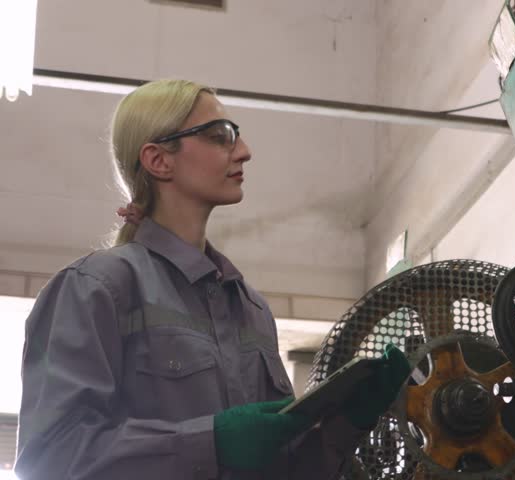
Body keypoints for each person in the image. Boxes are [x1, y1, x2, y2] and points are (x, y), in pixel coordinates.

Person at [14, 79, 410, 480]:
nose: (244, 151)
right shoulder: (97, 288)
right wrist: (211, 443)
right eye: (221, 136)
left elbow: (285, 469)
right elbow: (50, 459)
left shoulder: (251, 309)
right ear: (158, 160)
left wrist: (347, 425)